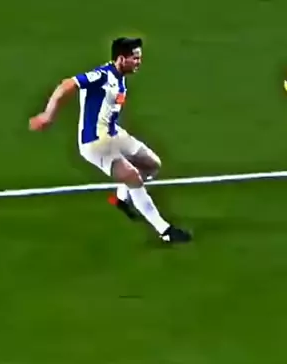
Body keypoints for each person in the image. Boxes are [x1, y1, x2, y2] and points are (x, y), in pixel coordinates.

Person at [29, 36, 192, 244]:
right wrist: (48, 115)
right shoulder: (101, 75)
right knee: (133, 177)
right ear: (121, 59)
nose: (139, 62)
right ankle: (165, 231)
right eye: (135, 58)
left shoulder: (120, 77)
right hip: (95, 143)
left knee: (152, 165)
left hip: (114, 134)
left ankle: (121, 199)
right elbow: (67, 85)